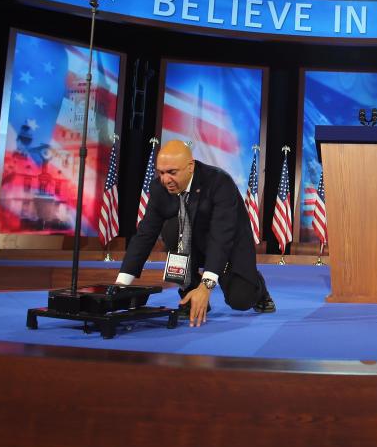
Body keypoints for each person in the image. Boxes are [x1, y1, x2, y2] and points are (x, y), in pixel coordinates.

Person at [115, 139, 275, 326]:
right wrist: (121, 284)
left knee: (241, 300)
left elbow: (221, 237)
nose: (166, 179)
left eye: (172, 173)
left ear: (190, 167)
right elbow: (145, 235)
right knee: (172, 228)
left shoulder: (219, 182)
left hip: (228, 246)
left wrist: (206, 286)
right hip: (190, 243)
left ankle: (259, 287)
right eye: (161, 173)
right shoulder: (159, 188)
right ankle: (190, 293)